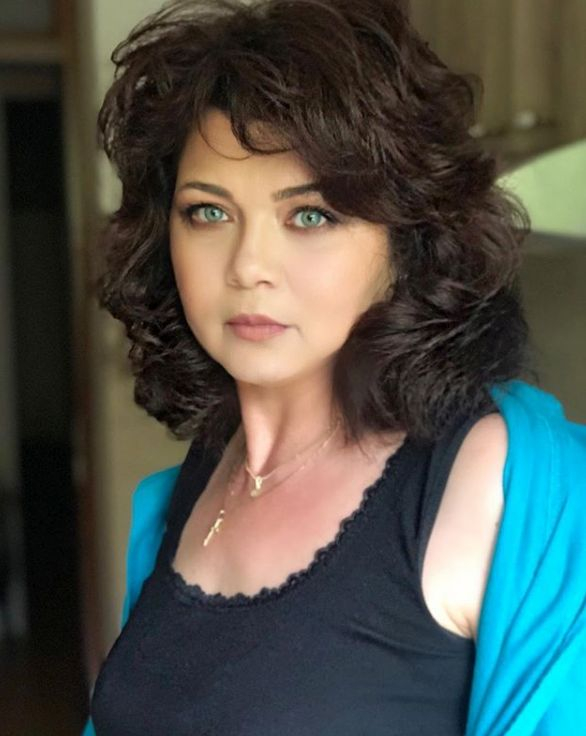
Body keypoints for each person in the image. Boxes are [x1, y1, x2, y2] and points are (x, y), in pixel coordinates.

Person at [82, 0, 586, 734]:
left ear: (404, 242)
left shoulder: (502, 486)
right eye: (208, 212)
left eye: (311, 215)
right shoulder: (184, 493)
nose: (249, 266)